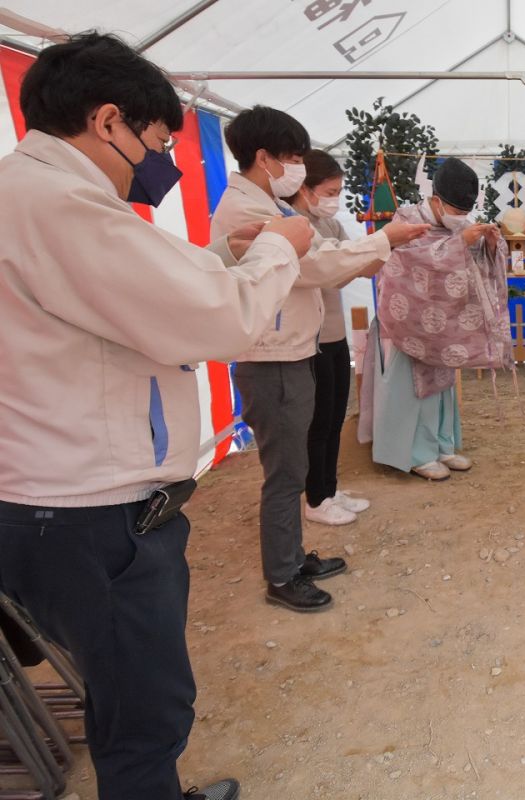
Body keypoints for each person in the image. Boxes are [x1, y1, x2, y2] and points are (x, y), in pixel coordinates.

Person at [0, 33, 313, 800]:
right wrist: (280, 250)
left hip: (48, 496)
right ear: (109, 120)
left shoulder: (27, 193)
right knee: (144, 712)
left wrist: (236, 257)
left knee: (122, 691)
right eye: (159, 138)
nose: (163, 158)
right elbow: (215, 319)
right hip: (91, 510)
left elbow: (153, 283)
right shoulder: (62, 205)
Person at [210, 106, 429, 613]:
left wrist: (378, 245)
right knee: (286, 472)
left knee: (297, 460)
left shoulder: (268, 202)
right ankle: (283, 577)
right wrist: (384, 239)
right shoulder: (247, 211)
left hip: (291, 347)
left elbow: (320, 263)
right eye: (290, 157)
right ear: (262, 156)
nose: (297, 167)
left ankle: (291, 558)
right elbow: (312, 266)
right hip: (272, 354)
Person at [361, 158, 511, 480]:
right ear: (437, 200)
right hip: (406, 323)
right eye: (456, 211)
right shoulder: (406, 220)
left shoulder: (454, 225)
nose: (460, 218)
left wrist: (489, 245)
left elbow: (470, 268)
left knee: (442, 388)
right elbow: (410, 264)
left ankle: (443, 445)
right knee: (410, 389)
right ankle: (415, 453)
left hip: (442, 326)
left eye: (465, 212)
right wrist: (460, 242)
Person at [283, 150, 370, 527]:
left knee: (334, 417)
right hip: (311, 337)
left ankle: (330, 488)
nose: (335, 198)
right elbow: (330, 270)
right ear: (305, 189)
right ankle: (315, 498)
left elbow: (351, 263)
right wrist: (356, 259)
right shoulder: (294, 225)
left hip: (334, 334)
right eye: (330, 190)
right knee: (319, 422)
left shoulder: (328, 225)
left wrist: (368, 255)